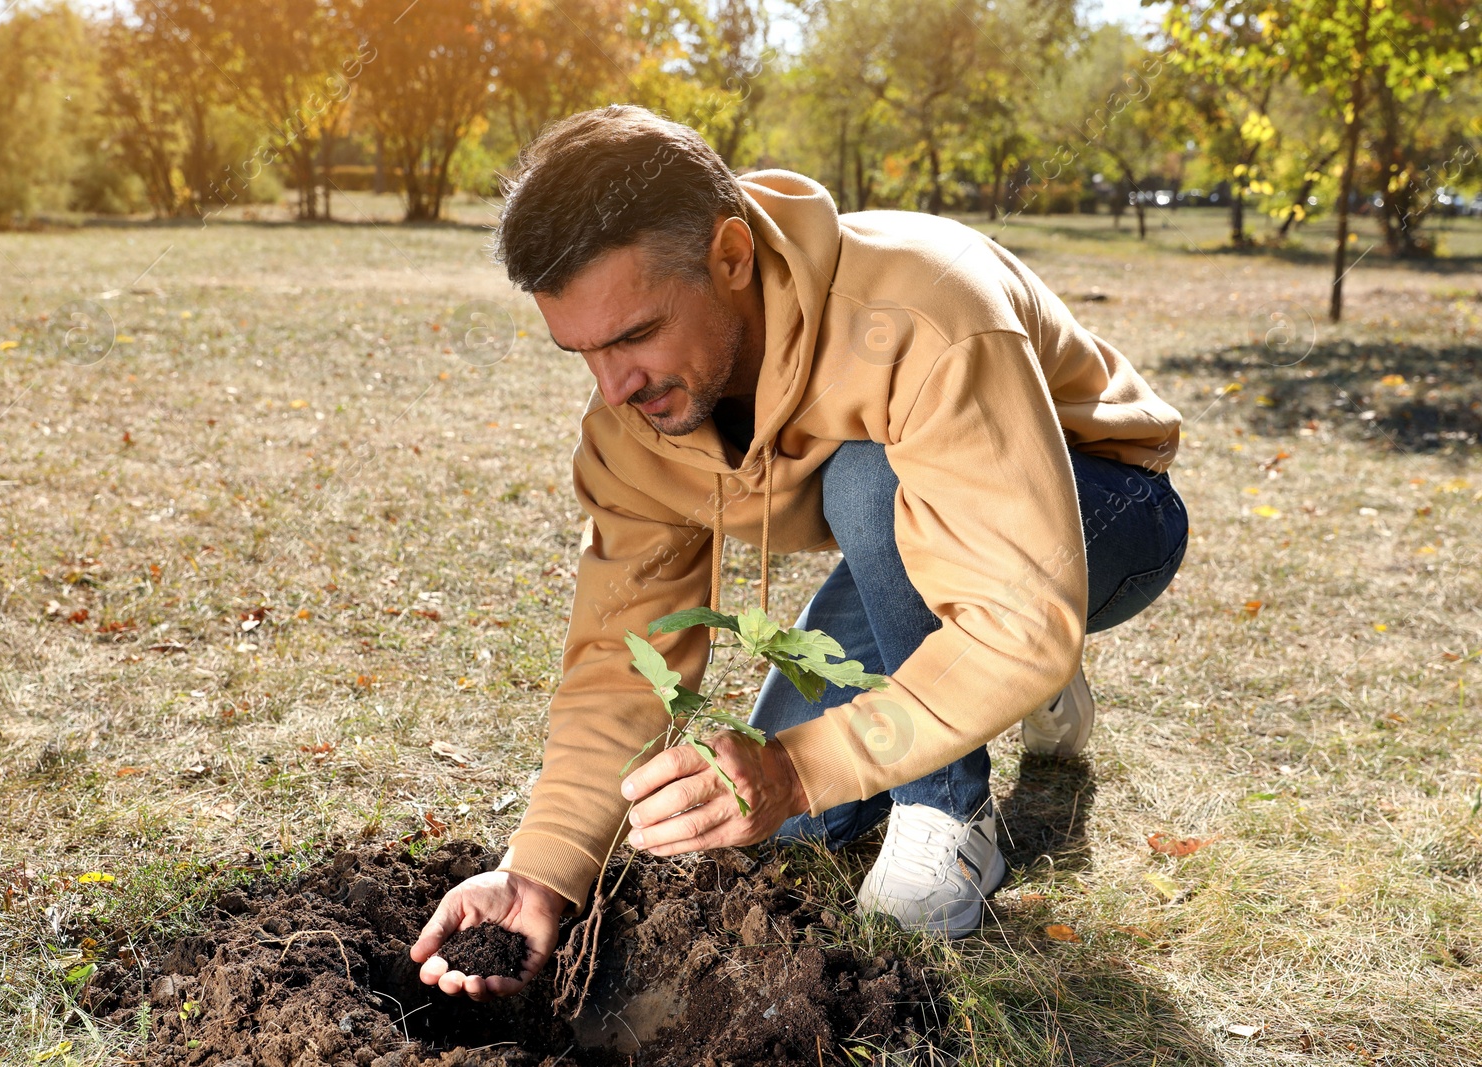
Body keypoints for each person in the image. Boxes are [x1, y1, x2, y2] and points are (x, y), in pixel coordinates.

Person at [409, 104, 1188, 1001]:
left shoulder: (922, 311)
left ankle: (948, 807)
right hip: (927, 538)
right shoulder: (630, 425)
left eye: (632, 335)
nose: (615, 385)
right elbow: (620, 663)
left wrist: (799, 768)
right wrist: (540, 870)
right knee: (781, 828)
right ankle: (988, 670)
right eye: (581, 350)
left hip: (1109, 507)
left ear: (731, 256)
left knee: (866, 482)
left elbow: (1014, 621)